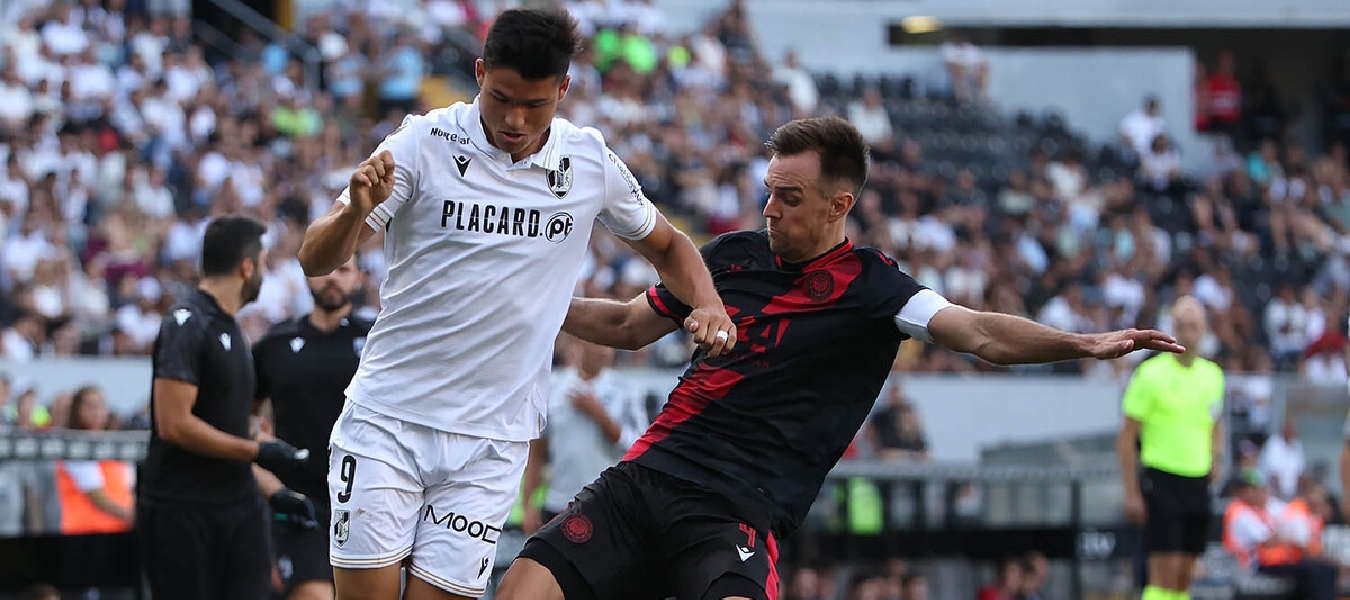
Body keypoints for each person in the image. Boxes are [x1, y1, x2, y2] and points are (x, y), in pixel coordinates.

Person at [493, 116, 1183, 600]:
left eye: (788, 199)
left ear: (838, 205)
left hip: (732, 513)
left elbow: (978, 333)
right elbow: (625, 324)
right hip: (642, 481)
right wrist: (526, 300)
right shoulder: (729, 258)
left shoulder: (877, 287)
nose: (769, 209)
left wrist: (1083, 342)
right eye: (768, 191)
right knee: (522, 586)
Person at [296, 9, 731, 599]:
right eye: (500, 98)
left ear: (563, 89)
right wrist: (352, 211)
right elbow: (315, 256)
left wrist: (710, 303)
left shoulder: (588, 161)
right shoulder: (423, 142)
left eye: (535, 104)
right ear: (478, 73)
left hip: (493, 444)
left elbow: (671, 245)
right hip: (388, 423)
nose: (515, 120)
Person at [137, 215, 316, 600]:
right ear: (246, 266)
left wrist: (276, 491)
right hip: (184, 514)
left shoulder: (231, 328)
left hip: (238, 508)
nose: (263, 274)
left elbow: (229, 430)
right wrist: (257, 449)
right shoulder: (187, 323)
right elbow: (174, 424)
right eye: (264, 264)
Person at [252, 255, 370, 600]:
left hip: (366, 496)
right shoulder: (275, 345)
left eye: (343, 270)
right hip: (299, 498)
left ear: (359, 278)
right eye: (326, 268)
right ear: (307, 275)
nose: (332, 277)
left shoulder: (379, 341)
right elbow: (242, 419)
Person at [1117, 296, 1223, 600]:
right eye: (1182, 326)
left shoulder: (1212, 375)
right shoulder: (1150, 375)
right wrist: (1131, 491)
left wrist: (1215, 459)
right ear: (1172, 329)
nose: (1188, 333)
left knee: (1185, 575)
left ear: (1204, 330)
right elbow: (1126, 436)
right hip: (1162, 477)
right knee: (1163, 571)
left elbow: (1215, 424)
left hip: (1197, 479)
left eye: (1194, 326)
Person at [520, 338, 649, 534]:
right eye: (599, 343)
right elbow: (537, 451)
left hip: (608, 503)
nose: (605, 351)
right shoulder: (553, 387)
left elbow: (639, 448)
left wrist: (599, 415)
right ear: (579, 343)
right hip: (559, 503)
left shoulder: (626, 390)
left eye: (609, 344)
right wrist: (528, 504)